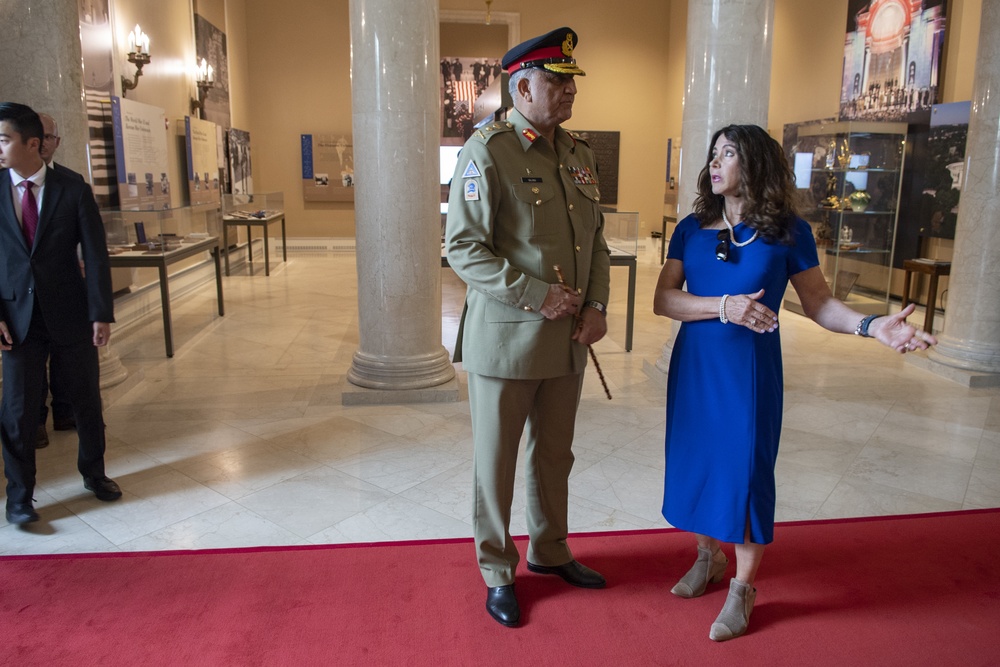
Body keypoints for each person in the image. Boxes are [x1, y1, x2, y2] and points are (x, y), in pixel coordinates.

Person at [652, 124, 937, 641]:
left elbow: (820, 303)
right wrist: (722, 306)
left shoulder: (788, 231)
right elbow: (664, 299)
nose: (715, 163)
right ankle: (707, 556)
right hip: (697, 367)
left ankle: (742, 589)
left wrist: (873, 326)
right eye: (713, 153)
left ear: (756, 164)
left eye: (729, 154)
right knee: (700, 462)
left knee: (745, 471)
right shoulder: (692, 228)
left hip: (749, 375)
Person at [445, 27, 610, 627]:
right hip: (508, 339)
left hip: (567, 341)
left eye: (570, 84)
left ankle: (551, 550)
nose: (568, 94)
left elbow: (596, 240)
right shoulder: (487, 151)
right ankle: (496, 571)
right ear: (522, 86)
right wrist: (538, 295)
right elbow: (463, 249)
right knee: (496, 463)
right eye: (556, 83)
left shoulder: (579, 155)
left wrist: (596, 306)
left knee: (554, 456)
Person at [0, 102, 121, 526]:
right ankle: (19, 498)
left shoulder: (72, 188)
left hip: (71, 314)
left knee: (86, 400)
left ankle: (95, 473)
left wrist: (100, 312)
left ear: (32, 144)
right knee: (17, 411)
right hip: (16, 321)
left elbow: (95, 254)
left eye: (4, 139)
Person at [34, 112, 85, 448]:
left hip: (63, 285)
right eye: (37, 137)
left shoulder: (71, 182)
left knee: (65, 354)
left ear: (56, 142)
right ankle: (36, 419)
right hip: (26, 290)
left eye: (49, 137)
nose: (43, 144)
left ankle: (65, 410)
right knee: (33, 359)